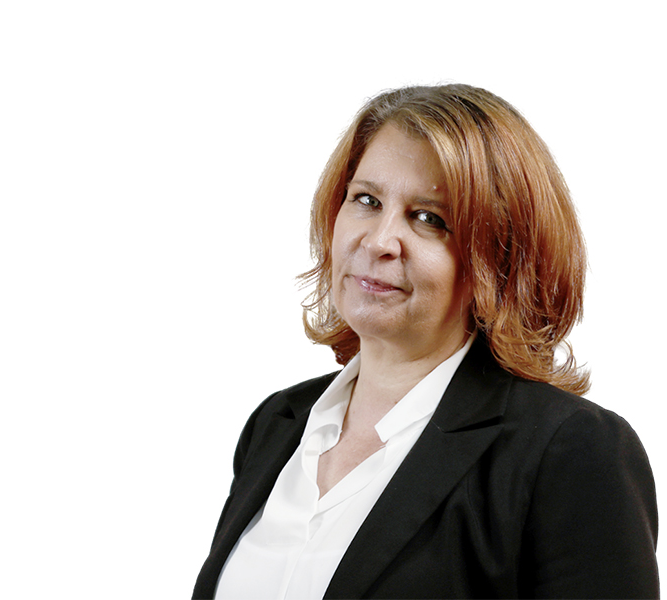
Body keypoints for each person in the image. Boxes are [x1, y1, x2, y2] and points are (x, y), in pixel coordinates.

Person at [192, 84, 659, 599]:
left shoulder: (570, 452)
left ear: (498, 258)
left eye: (429, 218)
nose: (378, 241)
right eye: (366, 200)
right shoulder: (277, 425)